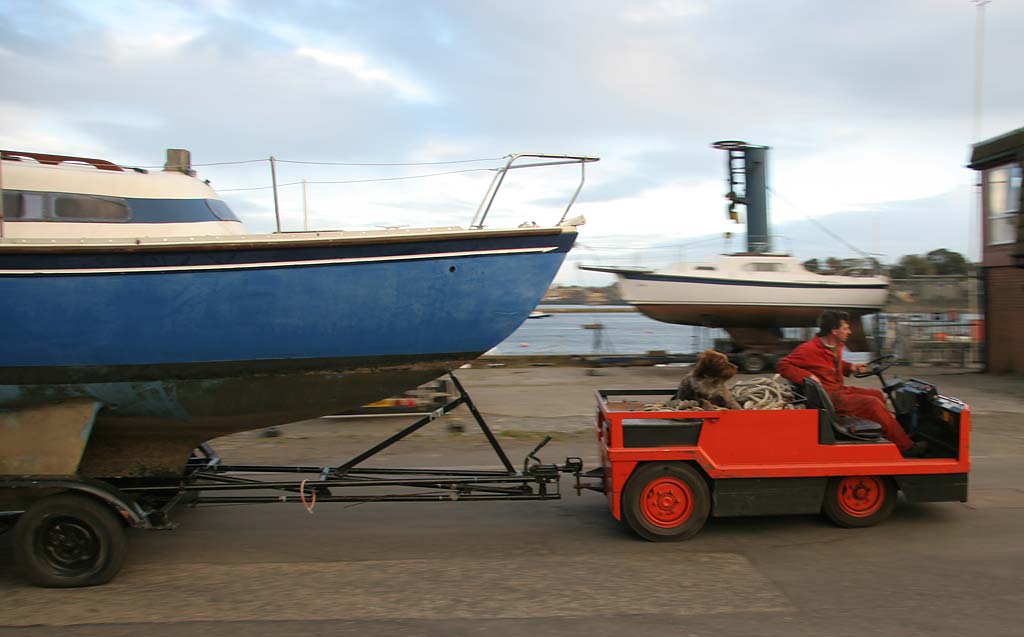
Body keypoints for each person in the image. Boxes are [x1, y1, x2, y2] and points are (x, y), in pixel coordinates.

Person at [778, 310, 927, 458]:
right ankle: (906, 447)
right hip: (830, 399)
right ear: (834, 331)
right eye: (845, 328)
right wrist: (807, 376)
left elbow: (830, 365)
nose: (849, 331)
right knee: (872, 404)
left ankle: (887, 433)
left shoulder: (835, 346)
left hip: (839, 391)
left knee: (876, 394)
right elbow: (783, 365)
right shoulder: (808, 350)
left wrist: (851, 367)